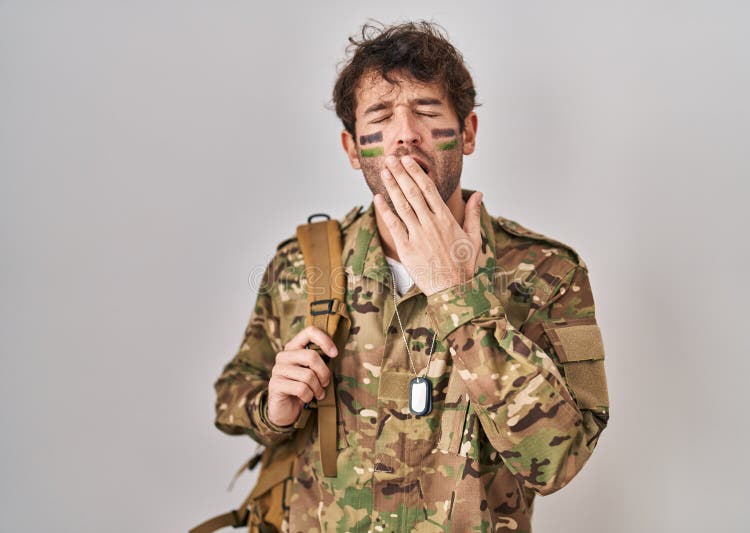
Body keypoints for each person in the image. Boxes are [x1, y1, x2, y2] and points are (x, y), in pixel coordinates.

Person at [213, 20, 609, 532]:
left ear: (466, 133)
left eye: (426, 111)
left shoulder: (548, 274)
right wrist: (273, 407)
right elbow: (231, 394)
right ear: (353, 148)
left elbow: (558, 462)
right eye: (380, 114)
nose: (405, 133)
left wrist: (457, 294)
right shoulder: (301, 266)